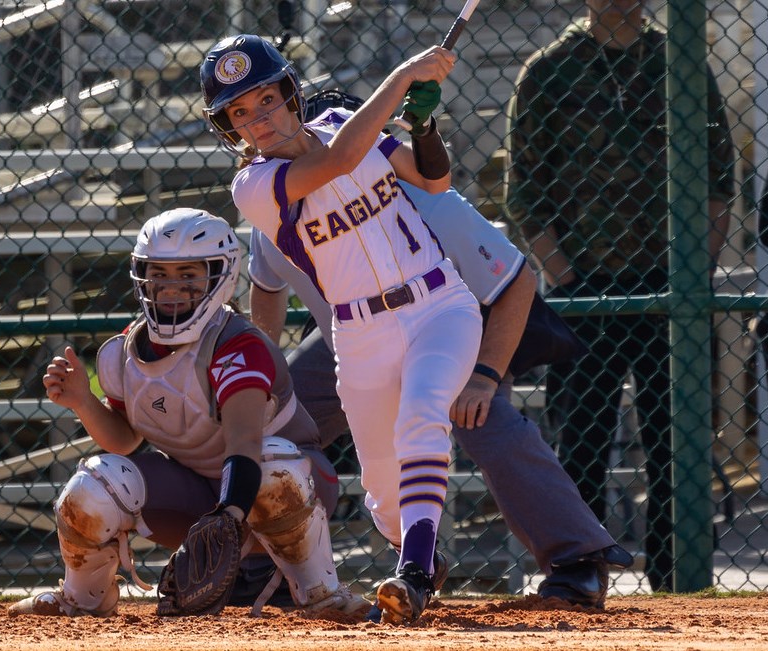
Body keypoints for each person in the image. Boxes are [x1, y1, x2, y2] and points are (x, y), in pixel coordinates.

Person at [247, 92, 631, 609]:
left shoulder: (417, 196)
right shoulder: (271, 195)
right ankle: (260, 566)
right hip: (353, 339)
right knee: (268, 423)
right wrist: (265, 377)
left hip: (441, 322)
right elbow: (266, 286)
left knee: (473, 414)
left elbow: (517, 282)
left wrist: (486, 375)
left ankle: (576, 556)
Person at [201, 34, 483, 624]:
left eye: (266, 100)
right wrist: (402, 75)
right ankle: (419, 550)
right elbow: (336, 163)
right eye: (240, 112)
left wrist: (424, 127)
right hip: (360, 336)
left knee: (423, 411)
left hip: (439, 304)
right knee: (384, 492)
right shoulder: (252, 187)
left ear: (290, 94)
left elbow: (431, 179)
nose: (259, 119)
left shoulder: (340, 123)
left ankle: (411, 575)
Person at [9, 208, 363, 618]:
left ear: (220, 277)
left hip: (287, 486)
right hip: (202, 496)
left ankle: (320, 593)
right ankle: (81, 598)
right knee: (95, 482)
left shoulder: (237, 344)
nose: (170, 287)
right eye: (158, 275)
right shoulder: (124, 352)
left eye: (187, 275)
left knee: (274, 463)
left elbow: (245, 442)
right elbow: (124, 442)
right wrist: (82, 402)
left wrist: (228, 516)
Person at [505, 0, 735, 592]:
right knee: (581, 443)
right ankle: (578, 572)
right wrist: (568, 280)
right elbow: (525, 191)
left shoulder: (678, 61)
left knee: (675, 447)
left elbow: (718, 175)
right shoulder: (551, 69)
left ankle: (679, 583)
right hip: (586, 290)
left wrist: (696, 271)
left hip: (671, 283)